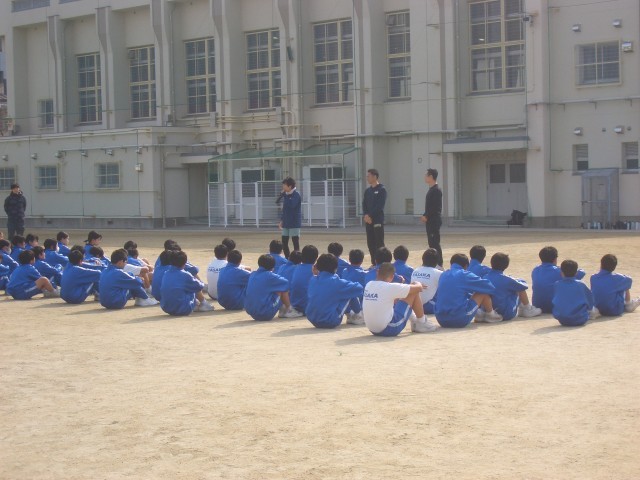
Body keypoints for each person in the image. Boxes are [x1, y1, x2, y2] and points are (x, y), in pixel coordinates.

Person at [363, 262, 437, 336]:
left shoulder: (369, 284)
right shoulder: (390, 287)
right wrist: (417, 283)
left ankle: (414, 320)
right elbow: (418, 288)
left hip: (372, 329)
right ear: (392, 277)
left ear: (377, 272)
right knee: (414, 292)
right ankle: (421, 322)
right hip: (388, 328)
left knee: (403, 295)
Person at [434, 253, 502, 328]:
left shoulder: (443, 275)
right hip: (458, 319)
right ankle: (491, 315)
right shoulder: (464, 274)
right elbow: (489, 287)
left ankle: (479, 314)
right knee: (482, 292)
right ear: (466, 266)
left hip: (441, 319)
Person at [306, 253, 364, 329]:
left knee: (342, 291)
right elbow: (359, 288)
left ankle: (352, 314)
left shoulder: (313, 279)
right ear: (335, 268)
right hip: (330, 321)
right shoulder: (336, 282)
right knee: (349, 291)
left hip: (312, 319)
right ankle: (358, 315)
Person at [483, 252, 541, 321]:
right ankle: (527, 308)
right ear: (506, 266)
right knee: (518, 288)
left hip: (489, 310)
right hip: (506, 313)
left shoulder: (485, 277)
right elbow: (523, 285)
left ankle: (489, 313)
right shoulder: (506, 279)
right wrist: (514, 279)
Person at [244, 254, 303, 321]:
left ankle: (284, 309)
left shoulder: (252, 274)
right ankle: (289, 309)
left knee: (275, 287)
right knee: (280, 287)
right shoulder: (269, 275)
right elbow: (285, 282)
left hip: (251, 311)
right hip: (265, 313)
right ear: (272, 267)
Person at [532, 246, 586, 313]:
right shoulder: (559, 271)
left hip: (538, 305)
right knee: (573, 283)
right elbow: (580, 274)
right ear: (555, 259)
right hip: (555, 306)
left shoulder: (535, 270)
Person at [160, 250, 214, 315]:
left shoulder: (166, 273)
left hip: (166, 308)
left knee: (183, 287)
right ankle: (204, 304)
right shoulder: (185, 275)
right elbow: (199, 286)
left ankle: (195, 303)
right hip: (183, 309)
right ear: (185, 263)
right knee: (192, 286)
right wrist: (202, 283)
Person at [552, 260, 599, 326]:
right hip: (580, 319)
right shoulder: (581, 284)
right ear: (576, 273)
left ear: (561, 272)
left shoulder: (557, 284)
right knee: (594, 310)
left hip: (562, 319)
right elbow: (590, 301)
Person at [362, 168, 387, 265]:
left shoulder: (382, 189)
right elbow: (364, 204)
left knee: (379, 243)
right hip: (368, 221)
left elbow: (380, 206)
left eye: (369, 176)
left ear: (375, 177)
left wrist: (370, 215)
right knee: (370, 243)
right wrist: (366, 215)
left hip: (377, 220)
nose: (367, 178)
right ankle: (374, 263)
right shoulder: (367, 191)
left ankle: (382, 264)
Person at [420, 168, 443, 267]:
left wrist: (426, 216)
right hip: (430, 220)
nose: (425, 177)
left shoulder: (436, 190)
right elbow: (429, 206)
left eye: (426, 175)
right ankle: (434, 263)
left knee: (435, 243)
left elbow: (435, 207)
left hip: (434, 220)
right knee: (431, 243)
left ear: (431, 177)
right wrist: (425, 215)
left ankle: (439, 264)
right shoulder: (431, 189)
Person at [411, 248, 443, 315]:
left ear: (423, 259)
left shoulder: (415, 270)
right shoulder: (439, 273)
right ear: (437, 262)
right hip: (428, 306)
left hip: (414, 305)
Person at [341, 248, 368, 325]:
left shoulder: (345, 271)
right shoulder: (363, 273)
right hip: (359, 306)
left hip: (347, 306)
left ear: (349, 259)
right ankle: (358, 315)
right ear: (362, 261)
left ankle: (351, 315)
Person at [289, 244, 319, 314]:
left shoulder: (296, 268)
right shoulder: (316, 270)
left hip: (294, 304)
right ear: (316, 258)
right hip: (308, 307)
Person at [278, 177, 302, 258]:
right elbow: (285, 209)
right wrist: (282, 220)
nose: (283, 187)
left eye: (284, 185)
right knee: (284, 242)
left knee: (295, 242)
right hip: (286, 222)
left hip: (294, 222)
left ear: (290, 186)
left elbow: (292, 205)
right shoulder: (286, 195)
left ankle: (297, 259)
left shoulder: (296, 194)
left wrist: (285, 196)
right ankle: (287, 258)